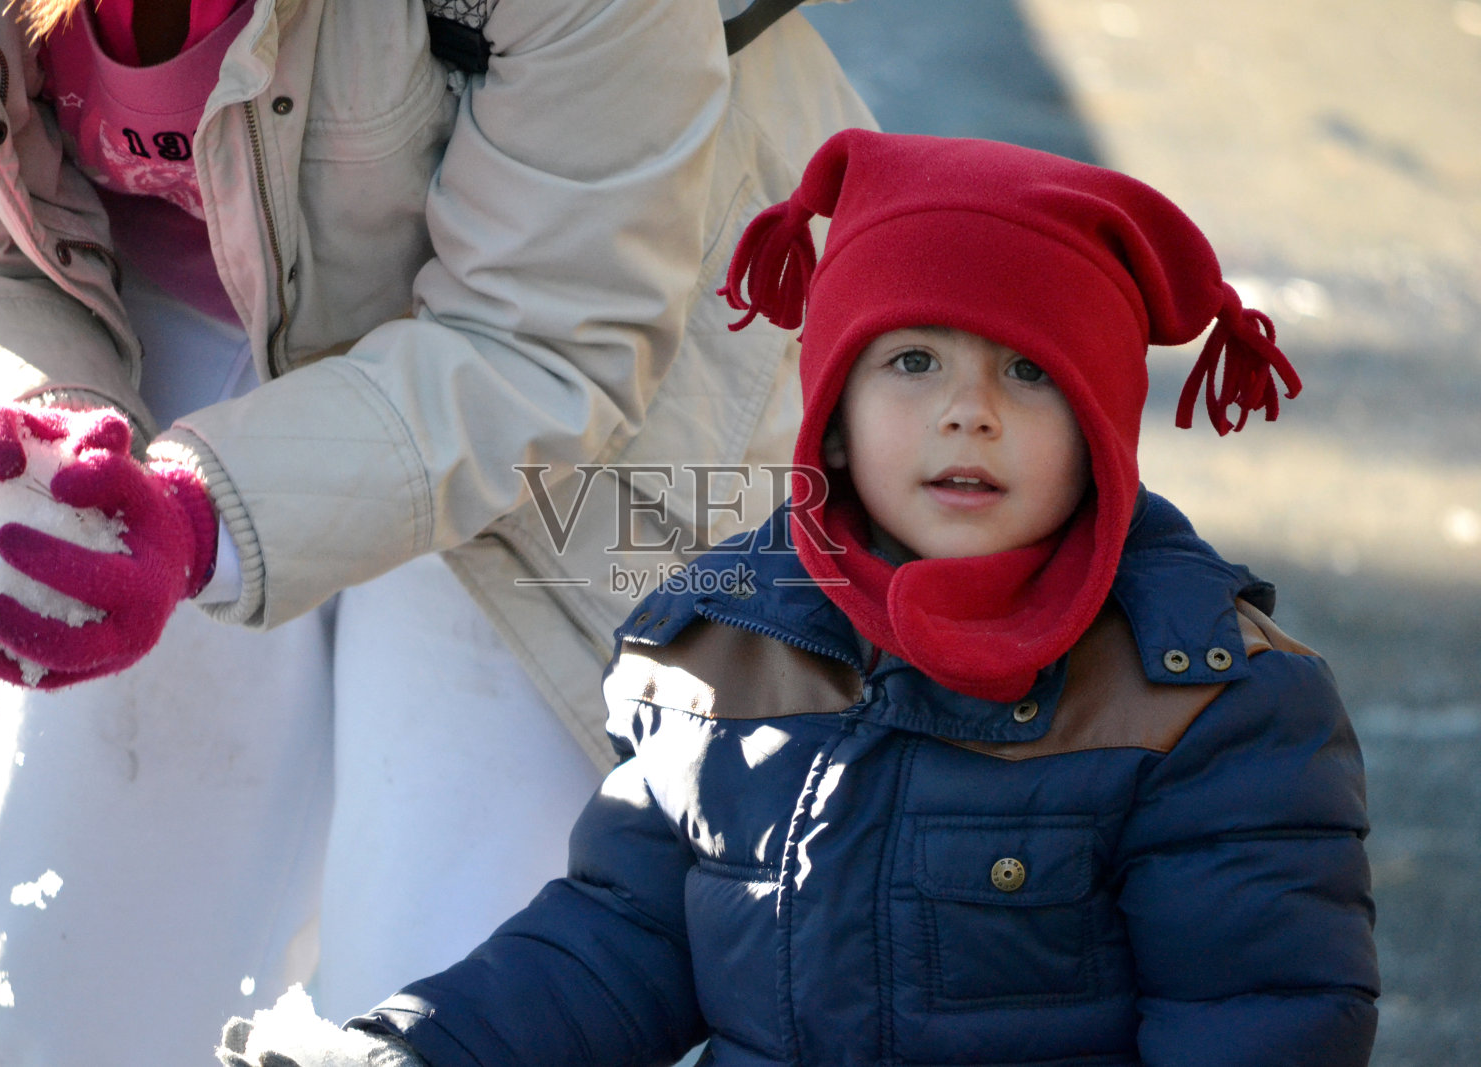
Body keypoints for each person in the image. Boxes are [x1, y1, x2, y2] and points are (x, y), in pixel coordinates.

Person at [217, 129, 1380, 1066]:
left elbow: (1261, 1016)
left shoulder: (1206, 704)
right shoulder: (725, 647)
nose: (965, 409)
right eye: (911, 360)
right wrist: (412, 1050)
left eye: (1027, 370)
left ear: (1101, 425)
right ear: (831, 402)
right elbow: (624, 940)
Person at [0, 0, 874, 1063]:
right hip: (159, 308)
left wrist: (200, 516)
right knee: (63, 976)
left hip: (584, 391)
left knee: (441, 985)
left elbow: (545, 337)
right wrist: (25, 429)